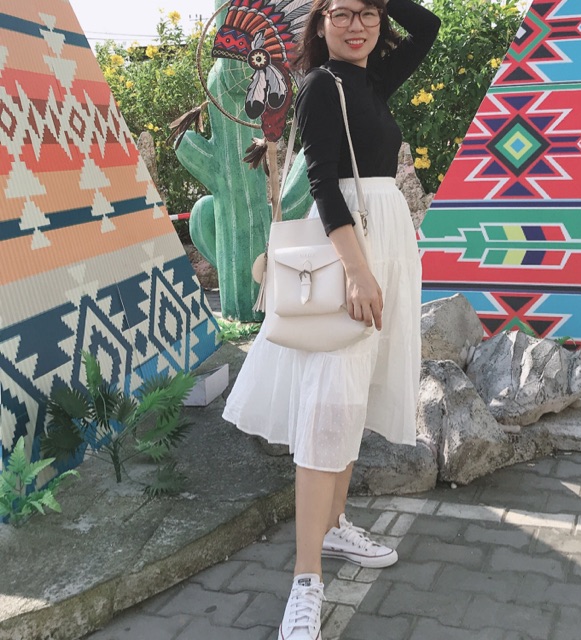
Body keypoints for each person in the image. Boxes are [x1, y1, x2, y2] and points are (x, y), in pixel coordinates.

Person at [222, 0, 440, 636]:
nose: (357, 25)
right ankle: (306, 580)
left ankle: (337, 525)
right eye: (342, 13)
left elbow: (427, 27)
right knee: (327, 408)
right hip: (351, 250)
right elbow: (321, 182)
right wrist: (357, 271)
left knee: (351, 401)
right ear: (320, 24)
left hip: (386, 243)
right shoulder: (321, 85)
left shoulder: (371, 80)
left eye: (369, 13)